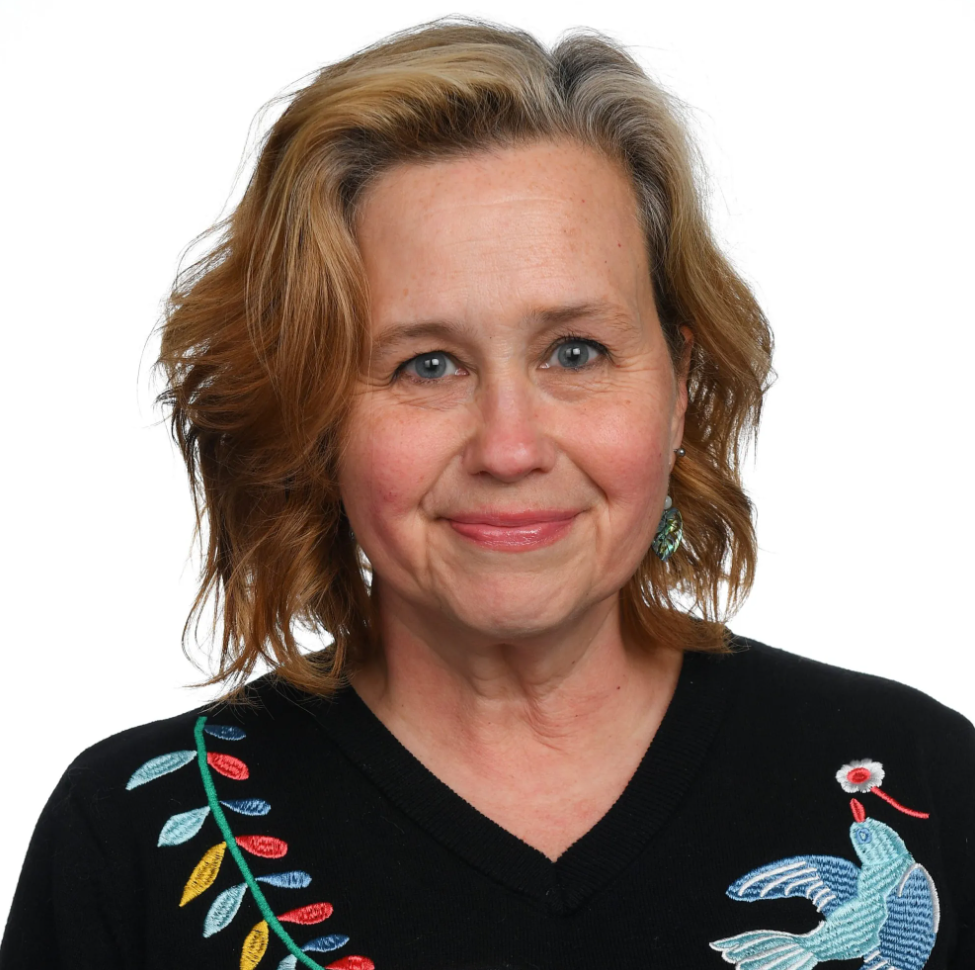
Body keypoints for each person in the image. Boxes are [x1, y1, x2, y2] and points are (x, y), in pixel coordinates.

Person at [1, 17, 972, 970]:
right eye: (426, 365)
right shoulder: (135, 837)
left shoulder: (925, 782)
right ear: (313, 416)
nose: (510, 447)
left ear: (677, 388)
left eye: (576, 351)